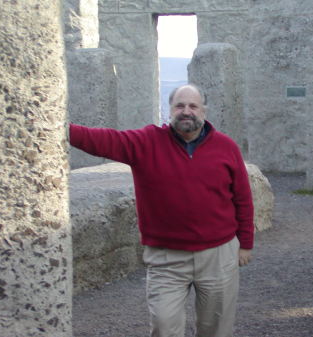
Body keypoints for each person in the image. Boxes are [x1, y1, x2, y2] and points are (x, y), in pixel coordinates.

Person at [69, 84, 254, 337]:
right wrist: (61, 129)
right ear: (169, 110)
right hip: (167, 258)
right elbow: (102, 140)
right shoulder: (146, 142)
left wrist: (245, 244)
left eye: (193, 106)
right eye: (179, 105)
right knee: (165, 327)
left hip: (218, 254)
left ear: (204, 111)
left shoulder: (226, 147)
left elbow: (242, 198)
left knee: (217, 329)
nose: (186, 111)